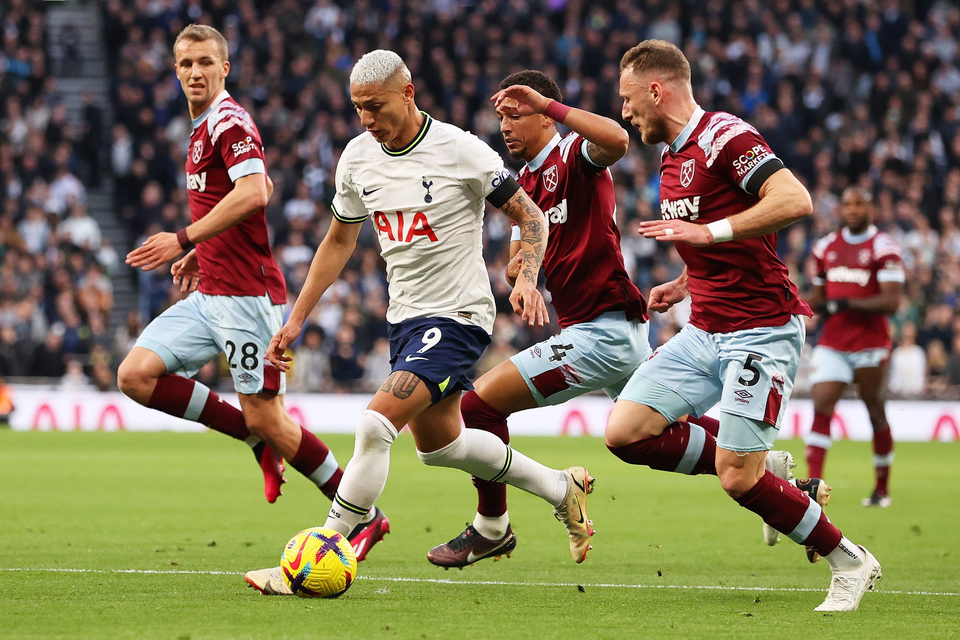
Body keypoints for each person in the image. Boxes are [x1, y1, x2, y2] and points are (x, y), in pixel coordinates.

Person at [243, 50, 593, 595]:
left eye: (375, 106)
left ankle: (315, 557)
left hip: (458, 317)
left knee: (374, 425)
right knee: (442, 446)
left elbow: (530, 214)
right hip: (404, 319)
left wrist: (526, 274)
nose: (366, 119)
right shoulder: (358, 157)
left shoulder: (461, 150)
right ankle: (559, 487)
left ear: (407, 93)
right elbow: (339, 240)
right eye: (358, 108)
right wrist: (298, 317)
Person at [608, 40, 880, 612]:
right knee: (625, 431)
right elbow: (708, 238)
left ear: (657, 90)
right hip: (706, 327)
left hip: (761, 329)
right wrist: (687, 279)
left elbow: (794, 198)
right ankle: (768, 465)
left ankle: (849, 560)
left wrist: (711, 234)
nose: (624, 112)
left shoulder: (725, 136)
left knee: (735, 478)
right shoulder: (671, 158)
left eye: (629, 99)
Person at [119, 25, 388, 559]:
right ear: (175, 71)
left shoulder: (229, 119)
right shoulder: (200, 127)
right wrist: (205, 249)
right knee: (135, 375)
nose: (195, 72)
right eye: (185, 64)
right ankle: (253, 440)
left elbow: (251, 193)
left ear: (225, 68)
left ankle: (363, 514)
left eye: (204, 63)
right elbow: (259, 187)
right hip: (212, 288)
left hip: (246, 295)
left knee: (269, 415)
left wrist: (183, 239)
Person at [426, 70, 649, 568]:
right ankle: (781, 478)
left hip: (602, 331)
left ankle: (492, 526)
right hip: (606, 331)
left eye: (516, 113)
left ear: (545, 115)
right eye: (500, 116)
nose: (504, 126)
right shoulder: (523, 185)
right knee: (661, 436)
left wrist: (548, 105)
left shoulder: (575, 154)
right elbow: (515, 263)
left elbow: (618, 138)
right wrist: (524, 276)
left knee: (478, 409)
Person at [804, 187, 904, 508]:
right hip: (833, 341)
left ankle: (881, 489)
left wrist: (846, 302)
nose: (852, 210)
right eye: (847, 204)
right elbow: (819, 297)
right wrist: (793, 304)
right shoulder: (825, 246)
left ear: (870, 207)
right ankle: (813, 490)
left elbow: (892, 300)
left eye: (859, 204)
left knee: (875, 410)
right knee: (821, 406)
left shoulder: (883, 247)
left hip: (870, 343)